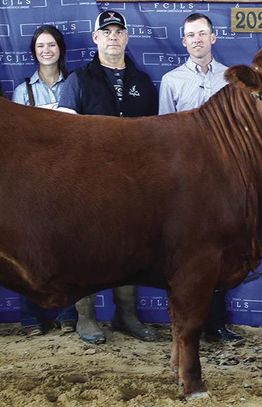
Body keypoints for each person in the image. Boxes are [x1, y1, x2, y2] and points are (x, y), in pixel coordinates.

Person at [58, 10, 159, 344]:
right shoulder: (78, 81)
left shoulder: (142, 82)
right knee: (84, 250)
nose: (113, 37)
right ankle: (85, 318)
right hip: (87, 185)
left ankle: (126, 314)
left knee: (129, 250)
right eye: (107, 32)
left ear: (126, 38)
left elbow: (153, 138)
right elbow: (64, 136)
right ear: (96, 38)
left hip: (133, 186)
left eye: (119, 32)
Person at [158, 13, 241, 342]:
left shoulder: (230, 79)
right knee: (185, 250)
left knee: (219, 246)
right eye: (190, 35)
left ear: (213, 38)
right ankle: (184, 326)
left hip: (224, 174)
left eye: (202, 33)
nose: (196, 39)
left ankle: (216, 323)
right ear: (183, 41)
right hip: (184, 181)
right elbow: (164, 133)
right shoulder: (172, 80)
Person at [12, 25, 78, 336]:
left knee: (65, 247)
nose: (47, 50)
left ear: (60, 49)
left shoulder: (75, 84)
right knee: (29, 249)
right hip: (32, 181)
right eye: (41, 46)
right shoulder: (22, 90)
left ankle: (67, 314)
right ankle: (30, 317)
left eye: (51, 44)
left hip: (68, 178)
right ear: (34, 51)